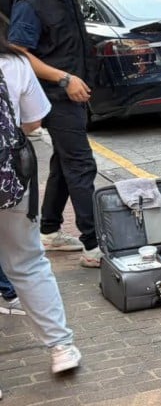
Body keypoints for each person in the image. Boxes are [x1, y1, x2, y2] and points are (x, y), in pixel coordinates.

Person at [8, 0, 100, 267]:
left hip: (71, 93)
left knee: (64, 163)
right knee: (81, 165)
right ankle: (95, 246)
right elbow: (18, 52)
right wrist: (64, 78)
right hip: (55, 96)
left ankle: (49, 230)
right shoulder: (31, 0)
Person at [0, 28, 81, 373]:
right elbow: (33, 122)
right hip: (9, 180)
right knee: (28, 262)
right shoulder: (13, 62)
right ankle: (61, 347)